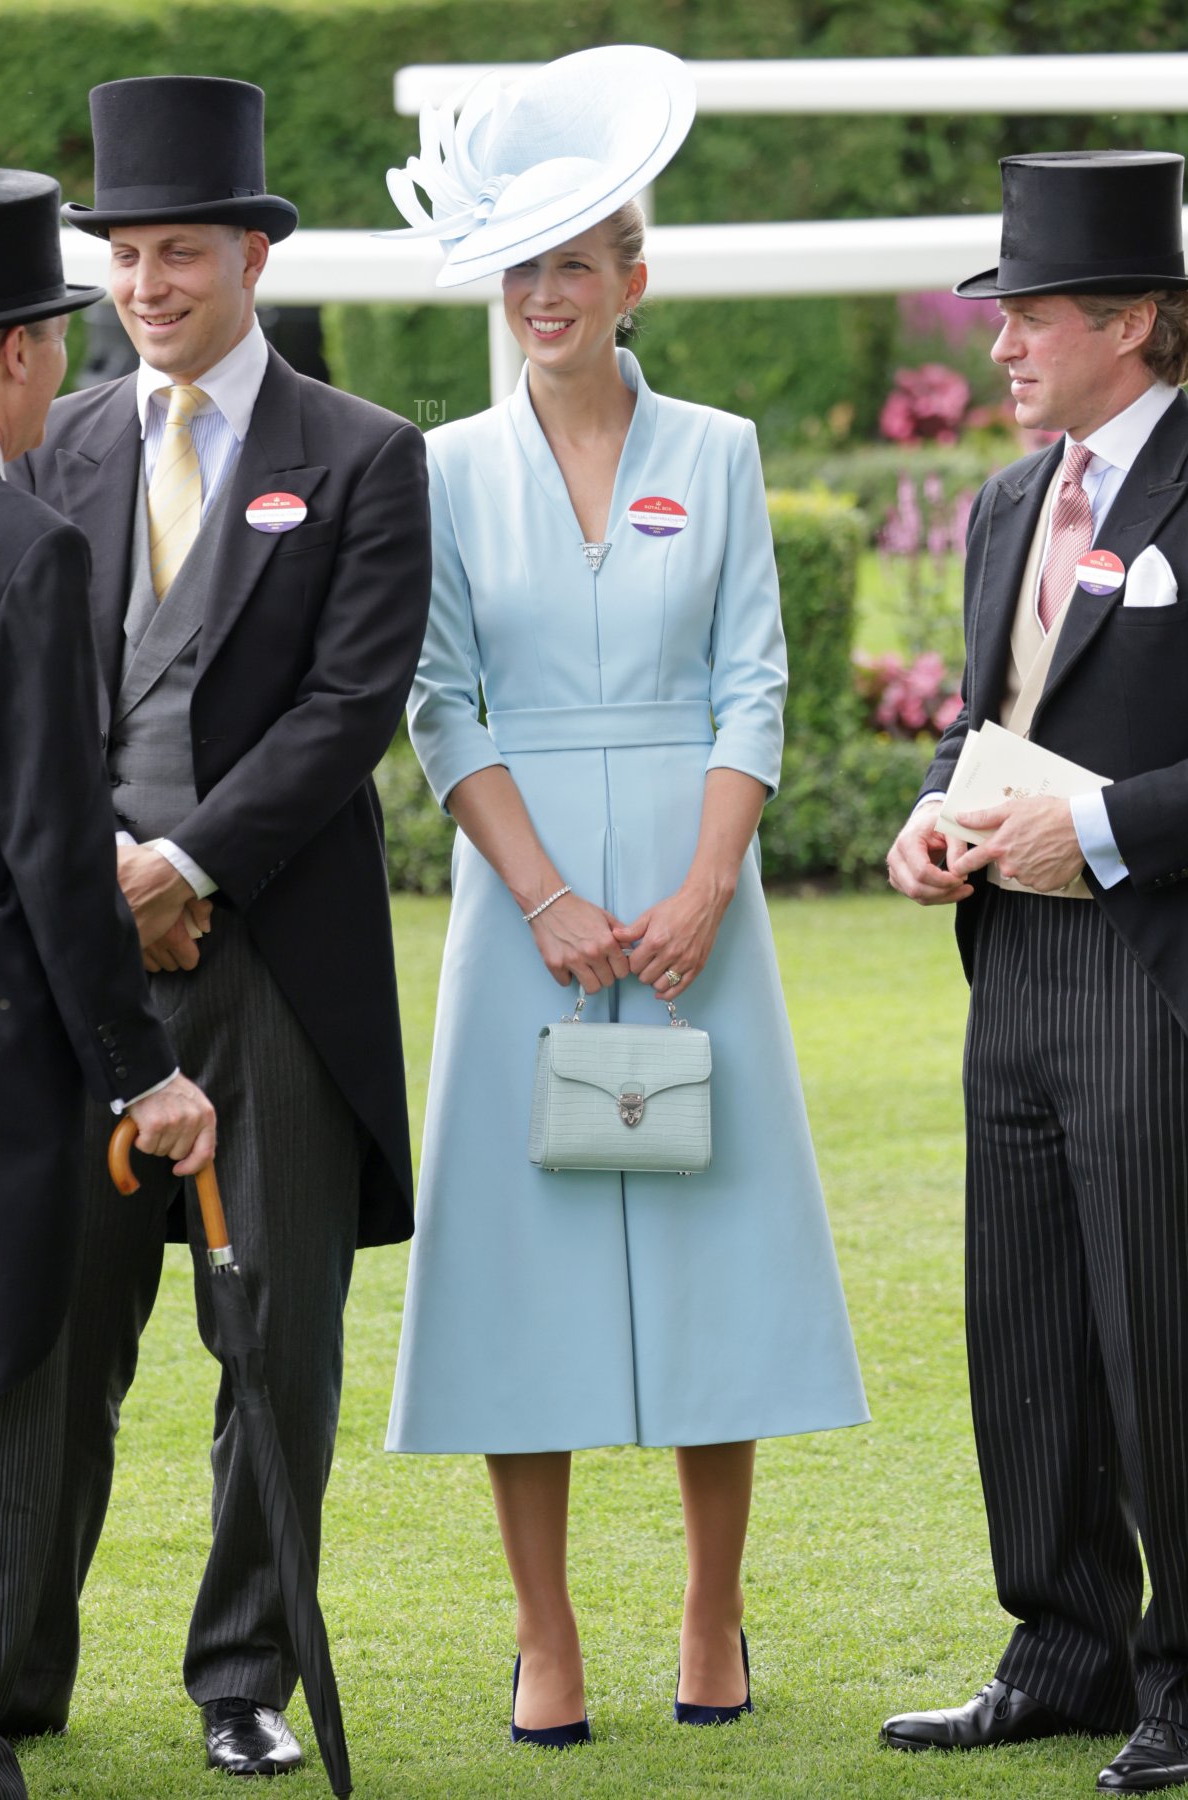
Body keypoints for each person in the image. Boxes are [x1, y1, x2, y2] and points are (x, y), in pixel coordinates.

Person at [380, 45, 868, 1747]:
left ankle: (712, 1610)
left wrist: (703, 887)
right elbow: (438, 699)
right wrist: (542, 902)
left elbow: (756, 682)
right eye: (522, 266)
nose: (544, 293)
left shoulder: (719, 450)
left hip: (690, 901)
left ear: (632, 276)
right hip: (527, 913)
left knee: (709, 1239)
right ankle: (543, 1635)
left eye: (575, 262)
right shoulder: (439, 467)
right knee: (530, 1261)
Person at [4, 78, 431, 1778]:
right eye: (121, 252)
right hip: (81, 966)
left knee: (274, 1345)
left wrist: (185, 867)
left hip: (277, 969)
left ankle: (244, 1676)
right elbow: (33, 699)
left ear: (252, 255)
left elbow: (349, 712)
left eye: (180, 249)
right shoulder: (66, 436)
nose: (145, 282)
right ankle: (10, 1670)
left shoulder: (366, 456)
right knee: (51, 1331)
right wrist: (105, 878)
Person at [883, 150, 1188, 1797]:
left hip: (1157, 965)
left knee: (1162, 1333)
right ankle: (1062, 1653)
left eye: (1032, 317)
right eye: (995, 315)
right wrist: (933, 819)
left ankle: (1187, 1682)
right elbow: (981, 724)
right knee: (1030, 1327)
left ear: (1136, 320)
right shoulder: (1011, 500)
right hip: (1012, 967)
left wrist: (1116, 831)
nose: (997, 343)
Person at [0, 168, 215, 1800]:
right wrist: (148, 1073)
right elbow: (58, 859)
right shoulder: (26, 553)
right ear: (17, 356)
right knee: (8, 1382)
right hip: (6, 1062)